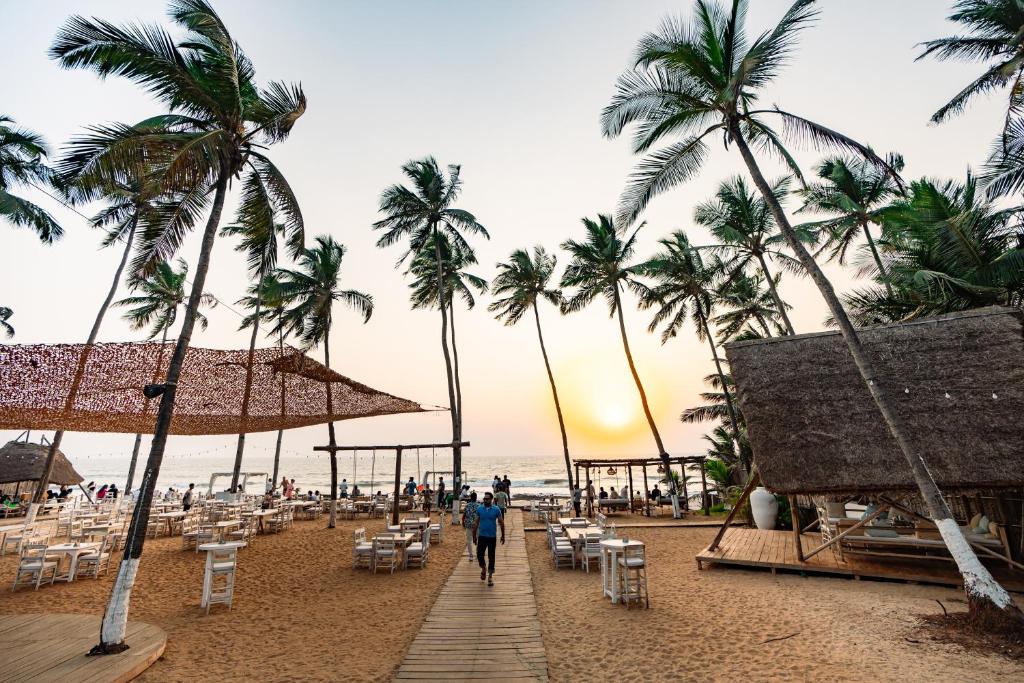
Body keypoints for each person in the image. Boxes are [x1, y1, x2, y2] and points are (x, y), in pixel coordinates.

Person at [472, 491, 505, 587]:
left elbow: (501, 523)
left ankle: (490, 576)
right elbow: (476, 523)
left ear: (491, 499)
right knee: (479, 555)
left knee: (491, 556)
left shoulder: (496, 509)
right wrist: (474, 536)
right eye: (484, 499)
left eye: (487, 499)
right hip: (482, 536)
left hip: (492, 537)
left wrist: (503, 535)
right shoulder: (480, 509)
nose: (485, 500)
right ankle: (483, 568)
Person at [461, 491, 479, 562]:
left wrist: (462, 522)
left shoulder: (467, 505)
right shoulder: (479, 506)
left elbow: (464, 515)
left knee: (469, 540)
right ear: (476, 498)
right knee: (478, 539)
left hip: (468, 524)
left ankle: (471, 555)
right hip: (477, 525)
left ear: (470, 498)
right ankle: (478, 554)